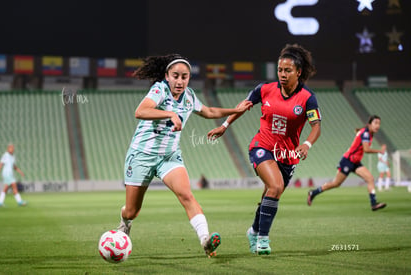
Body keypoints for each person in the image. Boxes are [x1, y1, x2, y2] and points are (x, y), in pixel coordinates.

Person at [117, 54, 252, 257]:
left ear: (189, 78)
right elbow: (141, 111)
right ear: (167, 76)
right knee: (132, 211)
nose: (180, 81)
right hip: (142, 155)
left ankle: (205, 240)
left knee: (186, 195)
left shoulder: (189, 96)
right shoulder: (159, 90)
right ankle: (125, 222)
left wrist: (235, 109)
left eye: (184, 77)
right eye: (176, 76)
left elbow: (209, 111)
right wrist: (171, 114)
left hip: (169, 157)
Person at [208, 44, 321, 255]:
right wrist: (224, 126)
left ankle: (253, 231)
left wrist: (306, 144)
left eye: (288, 70)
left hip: (287, 155)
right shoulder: (265, 89)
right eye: (280, 70)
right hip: (262, 147)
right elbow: (242, 107)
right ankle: (263, 240)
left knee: (271, 194)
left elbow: (316, 126)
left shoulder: (307, 98)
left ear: (298, 72)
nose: (282, 74)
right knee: (276, 186)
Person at [307, 115, 387, 211]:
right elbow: (366, 149)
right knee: (336, 183)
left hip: (356, 162)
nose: (377, 126)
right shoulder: (365, 133)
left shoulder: (368, 133)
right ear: (369, 124)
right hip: (348, 161)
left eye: (379, 123)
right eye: (375, 123)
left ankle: (374, 204)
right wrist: (379, 151)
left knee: (370, 178)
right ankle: (313, 193)